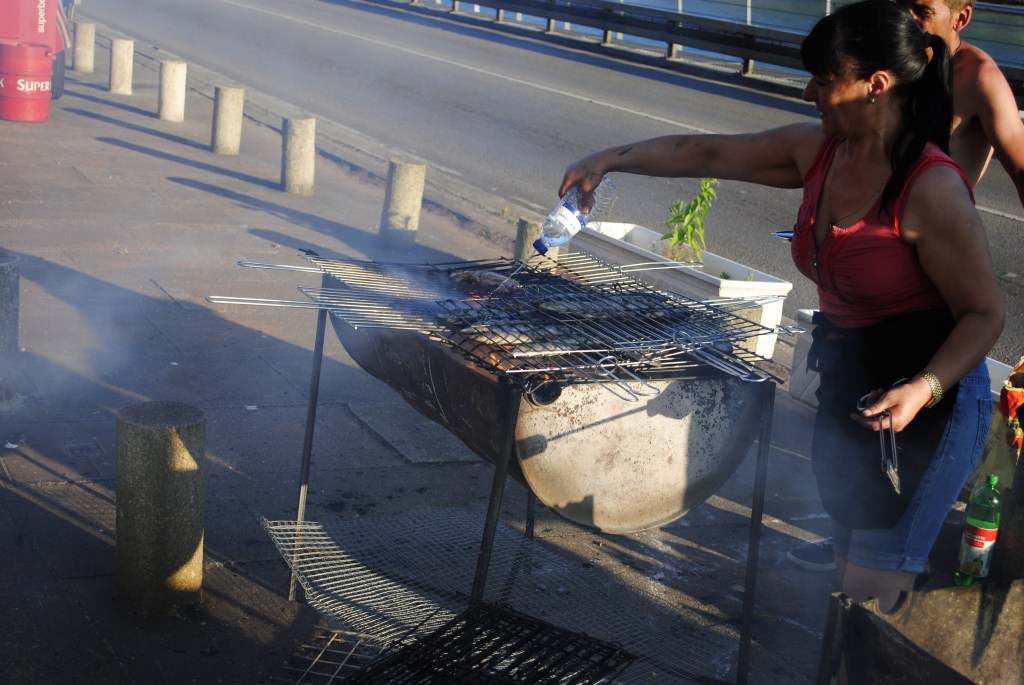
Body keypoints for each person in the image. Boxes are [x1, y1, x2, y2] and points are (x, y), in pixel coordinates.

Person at [557, 0, 1003, 618]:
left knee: (878, 588)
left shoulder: (929, 186)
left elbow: (985, 314)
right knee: (849, 576)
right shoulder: (818, 151)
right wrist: (610, 158)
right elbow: (709, 153)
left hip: (932, 398)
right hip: (853, 385)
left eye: (824, 79)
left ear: (875, 86)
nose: (807, 92)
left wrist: (922, 389)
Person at [787, 0, 1024, 573]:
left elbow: (1019, 162)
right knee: (856, 535)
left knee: (879, 566)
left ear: (960, 17)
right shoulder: (883, 81)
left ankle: (882, 555)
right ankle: (858, 544)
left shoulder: (978, 80)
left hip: (930, 301)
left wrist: (926, 387)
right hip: (865, 333)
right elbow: (720, 150)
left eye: (923, 9)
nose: (911, 20)